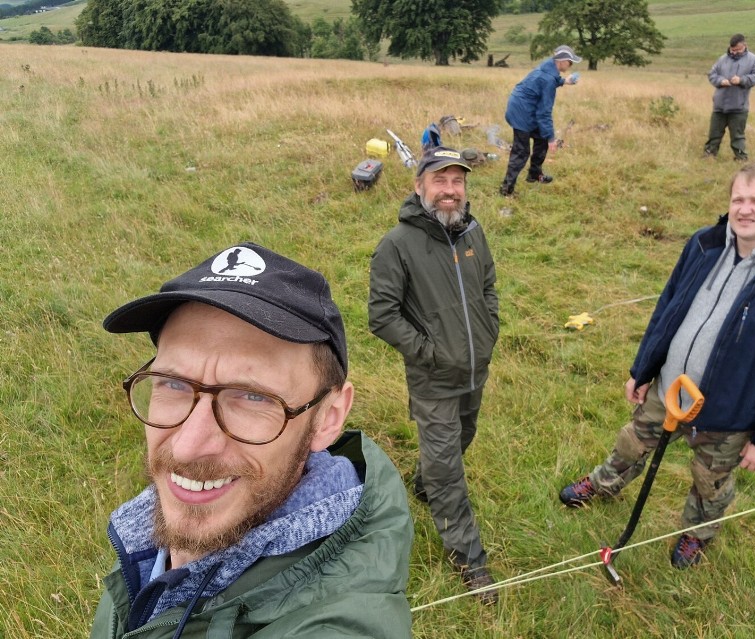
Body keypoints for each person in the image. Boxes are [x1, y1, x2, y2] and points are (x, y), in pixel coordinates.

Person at [91, 243, 413, 638]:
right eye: (173, 384)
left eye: (253, 397)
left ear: (328, 418)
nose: (188, 446)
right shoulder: (142, 534)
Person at [559, 162, 755, 569]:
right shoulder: (704, 244)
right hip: (669, 387)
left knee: (711, 481)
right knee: (632, 441)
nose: (745, 209)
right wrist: (643, 369)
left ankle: (698, 533)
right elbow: (668, 309)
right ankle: (603, 483)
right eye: (738, 199)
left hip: (729, 412)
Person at [368, 147, 500, 604]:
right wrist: (429, 352)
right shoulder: (397, 245)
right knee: (449, 472)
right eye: (440, 181)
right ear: (419, 185)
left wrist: (489, 329)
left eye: (457, 181)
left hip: (474, 371)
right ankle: (471, 560)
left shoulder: (473, 233)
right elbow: (381, 315)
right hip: (433, 379)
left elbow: (488, 287)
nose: (450, 191)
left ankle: (426, 482)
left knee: (462, 439)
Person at [499, 45, 581, 196]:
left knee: (541, 138)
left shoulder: (549, 66)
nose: (571, 65)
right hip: (521, 112)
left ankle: (534, 174)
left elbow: (549, 80)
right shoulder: (548, 78)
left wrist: (564, 82)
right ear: (561, 61)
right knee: (521, 151)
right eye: (570, 62)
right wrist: (551, 138)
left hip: (525, 107)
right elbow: (544, 112)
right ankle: (506, 189)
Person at [704, 34, 755, 161]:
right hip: (719, 105)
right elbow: (712, 74)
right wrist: (720, 81)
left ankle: (741, 158)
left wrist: (742, 80)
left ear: (744, 46)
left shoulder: (753, 60)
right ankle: (709, 154)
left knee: (737, 136)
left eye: (738, 50)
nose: (735, 52)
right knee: (714, 133)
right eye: (733, 50)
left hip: (739, 106)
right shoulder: (722, 59)